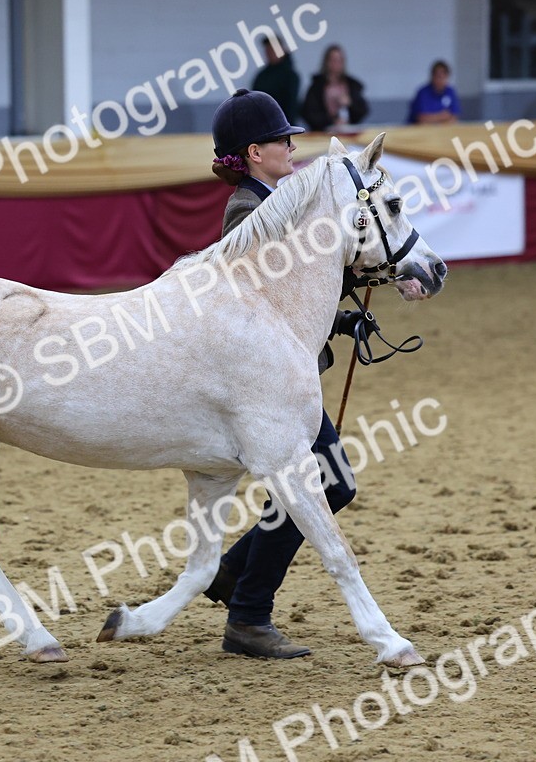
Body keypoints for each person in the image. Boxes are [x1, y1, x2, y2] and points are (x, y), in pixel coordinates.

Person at [203, 88, 373, 659]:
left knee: (326, 483)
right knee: (331, 483)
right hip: (265, 387)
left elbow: (293, 297)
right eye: (281, 139)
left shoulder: (270, 200)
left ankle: (231, 573)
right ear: (254, 152)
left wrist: (342, 313)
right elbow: (264, 305)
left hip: (283, 379)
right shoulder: (247, 212)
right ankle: (247, 612)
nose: (292, 145)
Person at [301, 44, 369, 132]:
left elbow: (363, 110)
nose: (336, 64)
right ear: (326, 62)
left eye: (339, 60)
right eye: (333, 60)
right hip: (323, 133)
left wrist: (350, 103)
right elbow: (309, 113)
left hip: (349, 131)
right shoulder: (316, 87)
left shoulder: (352, 85)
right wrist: (331, 120)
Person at [252, 37, 301, 124]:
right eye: (267, 49)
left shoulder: (290, 76)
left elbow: (291, 106)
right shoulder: (261, 76)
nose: (269, 53)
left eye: (272, 49)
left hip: (283, 125)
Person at [407, 60, 460, 124]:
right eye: (438, 76)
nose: (440, 80)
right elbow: (422, 119)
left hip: (442, 130)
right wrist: (441, 116)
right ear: (432, 76)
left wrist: (434, 118)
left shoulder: (450, 92)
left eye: (443, 77)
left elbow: (454, 117)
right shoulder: (423, 93)